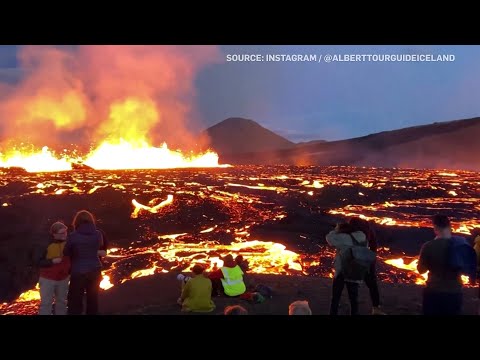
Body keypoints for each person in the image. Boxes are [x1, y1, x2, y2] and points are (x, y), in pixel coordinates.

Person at [417, 215, 463, 315]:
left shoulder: (429, 246)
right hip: (455, 292)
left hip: (434, 291)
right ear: (450, 226)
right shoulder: (461, 244)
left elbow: (421, 270)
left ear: (435, 227)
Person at [64, 210, 104, 315]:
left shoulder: (73, 236)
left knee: (75, 301)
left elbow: (66, 252)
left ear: (76, 222)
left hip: (78, 272)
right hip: (95, 270)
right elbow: (99, 246)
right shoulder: (98, 234)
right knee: (92, 300)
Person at [326, 222, 367, 315]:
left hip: (342, 270)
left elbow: (329, 239)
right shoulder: (361, 236)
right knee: (353, 299)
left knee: (336, 297)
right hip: (356, 270)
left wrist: (335, 231)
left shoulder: (342, 237)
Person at [349, 217, 385, 315]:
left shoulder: (354, 230)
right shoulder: (367, 229)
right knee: (372, 285)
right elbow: (373, 244)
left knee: (354, 286)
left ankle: (354, 309)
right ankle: (376, 308)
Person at [36, 221, 71, 315]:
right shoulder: (45, 244)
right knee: (46, 304)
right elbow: (38, 262)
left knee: (62, 302)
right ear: (54, 234)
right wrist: (52, 261)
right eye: (62, 233)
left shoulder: (68, 243)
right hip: (48, 279)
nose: (65, 235)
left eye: (65, 232)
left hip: (63, 278)